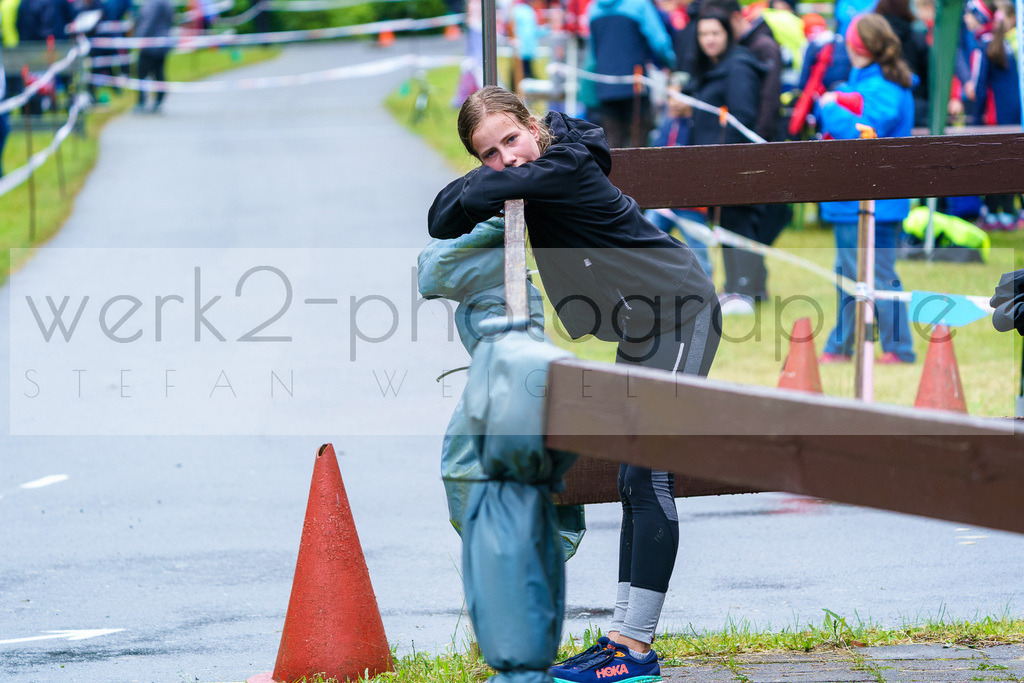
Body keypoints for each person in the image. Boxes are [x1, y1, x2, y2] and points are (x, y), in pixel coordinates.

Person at [427, 85, 721, 683]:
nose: (506, 158)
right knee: (627, 473)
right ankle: (623, 638)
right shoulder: (533, 171)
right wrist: (486, 183)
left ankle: (635, 648)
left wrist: (483, 183)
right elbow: (438, 219)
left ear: (533, 126)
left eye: (511, 139)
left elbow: (467, 201)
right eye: (488, 153)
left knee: (648, 469)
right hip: (641, 329)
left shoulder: (564, 164)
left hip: (683, 309)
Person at [816, 13, 916, 365]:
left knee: (874, 276)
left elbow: (865, 130)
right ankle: (844, 345)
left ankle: (894, 348)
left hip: (872, 199)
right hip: (859, 197)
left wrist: (828, 108)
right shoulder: (869, 82)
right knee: (851, 272)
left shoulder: (884, 87)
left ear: (855, 45)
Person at [678, 7, 766, 315]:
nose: (709, 40)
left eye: (715, 33)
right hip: (709, 159)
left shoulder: (739, 66)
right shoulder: (706, 67)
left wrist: (729, 160)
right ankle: (737, 287)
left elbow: (743, 117)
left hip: (732, 159)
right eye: (703, 34)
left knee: (738, 223)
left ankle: (746, 289)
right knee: (725, 224)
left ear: (727, 33)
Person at [587, 0, 676, 147]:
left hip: (605, 85)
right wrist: (671, 63)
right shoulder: (639, 5)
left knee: (612, 146)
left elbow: (593, 51)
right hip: (635, 85)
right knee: (638, 146)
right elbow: (659, 41)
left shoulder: (594, 8)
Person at [133, 0, 172, 113]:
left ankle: (142, 101)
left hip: (150, 43)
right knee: (158, 72)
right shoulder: (166, 2)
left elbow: (148, 21)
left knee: (142, 72)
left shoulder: (153, 3)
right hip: (162, 41)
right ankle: (159, 99)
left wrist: (141, 38)